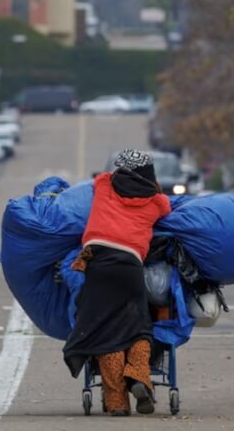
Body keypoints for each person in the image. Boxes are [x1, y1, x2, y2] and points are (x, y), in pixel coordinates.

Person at [63, 149, 172, 416]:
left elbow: (102, 177)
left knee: (105, 330)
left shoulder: (104, 185)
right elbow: (167, 206)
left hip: (97, 261)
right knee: (139, 326)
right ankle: (138, 376)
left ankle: (116, 402)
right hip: (130, 266)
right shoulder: (156, 202)